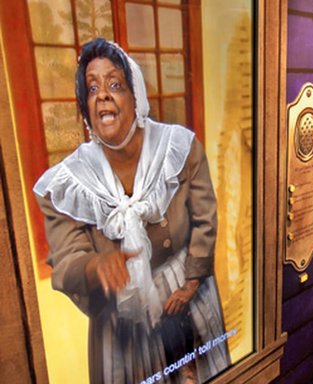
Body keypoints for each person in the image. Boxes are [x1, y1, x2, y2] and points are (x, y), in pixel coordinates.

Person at [33, 38, 231, 383]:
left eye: (115, 84)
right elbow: (66, 261)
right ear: (85, 107)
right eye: (91, 87)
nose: (102, 95)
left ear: (135, 95)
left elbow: (205, 218)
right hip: (122, 322)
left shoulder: (179, 147)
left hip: (186, 298)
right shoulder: (66, 184)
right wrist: (96, 266)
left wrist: (193, 279)